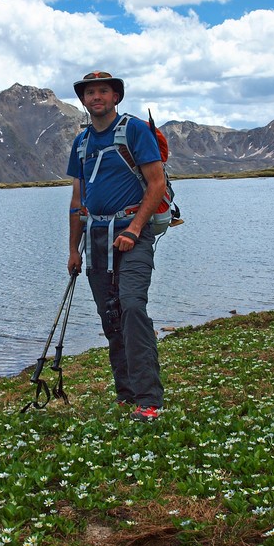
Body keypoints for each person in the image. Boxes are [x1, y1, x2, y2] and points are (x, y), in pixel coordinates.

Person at [66, 70, 165, 422]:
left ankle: (149, 399)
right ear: (83, 100)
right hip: (95, 240)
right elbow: (78, 199)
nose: (96, 97)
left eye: (103, 91)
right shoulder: (81, 143)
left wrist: (135, 229)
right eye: (89, 93)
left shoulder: (133, 130)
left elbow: (156, 183)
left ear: (116, 97)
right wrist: (73, 249)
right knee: (111, 317)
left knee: (132, 307)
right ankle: (126, 393)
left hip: (131, 235)